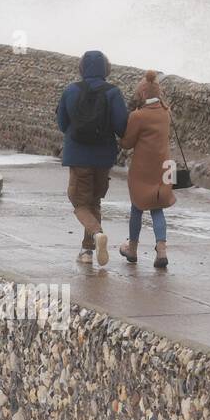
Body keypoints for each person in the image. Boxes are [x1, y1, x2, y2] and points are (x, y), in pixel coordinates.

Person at [56, 50, 129, 266]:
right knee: (94, 201)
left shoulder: (71, 91)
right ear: (106, 68)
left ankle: (97, 235)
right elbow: (121, 126)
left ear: (81, 68)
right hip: (103, 157)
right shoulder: (113, 92)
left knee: (79, 202)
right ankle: (87, 251)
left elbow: (62, 124)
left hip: (78, 156)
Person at [119, 70, 176, 268]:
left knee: (137, 206)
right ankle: (161, 249)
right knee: (157, 208)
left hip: (143, 169)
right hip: (163, 168)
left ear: (142, 94)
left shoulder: (138, 116)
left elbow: (127, 143)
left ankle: (132, 248)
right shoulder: (166, 113)